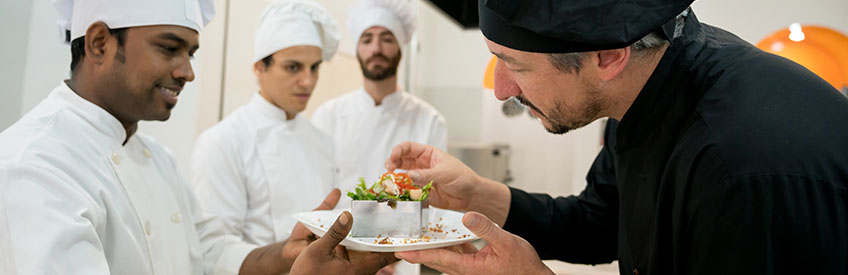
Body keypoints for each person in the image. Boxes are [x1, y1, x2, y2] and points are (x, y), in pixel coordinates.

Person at [384, 0, 848, 274]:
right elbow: (598, 223)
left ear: (607, 57)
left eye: (516, 64)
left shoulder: (740, 171)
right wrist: (478, 195)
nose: (502, 87)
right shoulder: (643, 90)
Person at [0, 0, 394, 273]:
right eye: (169, 48)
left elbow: (209, 252)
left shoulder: (156, 157)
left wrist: (289, 254)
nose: (187, 71)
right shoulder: (36, 165)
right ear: (100, 43)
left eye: (190, 53)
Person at [190, 0, 342, 272]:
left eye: (315, 67)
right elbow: (213, 253)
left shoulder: (322, 141)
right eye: (293, 67)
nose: (308, 81)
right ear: (259, 67)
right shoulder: (223, 142)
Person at [311, 0, 447, 206]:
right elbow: (316, 191)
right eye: (367, 40)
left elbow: (433, 196)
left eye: (386, 39)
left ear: (400, 47)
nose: (376, 49)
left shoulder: (429, 120)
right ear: (357, 49)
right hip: (339, 234)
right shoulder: (327, 116)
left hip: (405, 236)